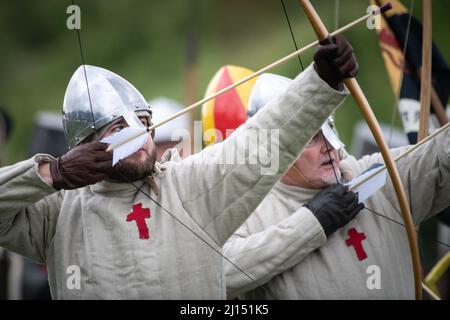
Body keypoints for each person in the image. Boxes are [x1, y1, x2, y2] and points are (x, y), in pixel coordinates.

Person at [0, 36, 356, 299]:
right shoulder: (57, 213)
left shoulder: (189, 186)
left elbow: (264, 139)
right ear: (84, 148)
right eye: (118, 129)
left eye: (142, 122)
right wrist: (53, 173)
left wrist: (320, 83)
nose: (137, 135)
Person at [223, 46, 450, 299]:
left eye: (329, 127)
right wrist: (312, 222)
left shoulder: (373, 176)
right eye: (311, 137)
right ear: (272, 149)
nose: (329, 145)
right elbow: (214, 278)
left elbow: (440, 159)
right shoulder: (248, 217)